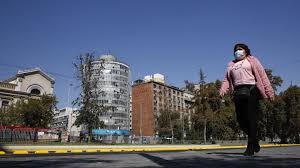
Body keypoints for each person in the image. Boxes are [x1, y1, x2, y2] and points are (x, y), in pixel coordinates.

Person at [219, 43, 274, 156]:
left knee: (251, 119)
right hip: (238, 92)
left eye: (240, 49)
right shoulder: (231, 64)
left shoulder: (252, 60)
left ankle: (250, 147)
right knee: (241, 120)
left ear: (246, 51)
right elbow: (226, 79)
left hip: (251, 90)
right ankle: (255, 138)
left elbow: (263, 75)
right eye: (236, 50)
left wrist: (269, 92)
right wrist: (223, 89)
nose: (237, 51)